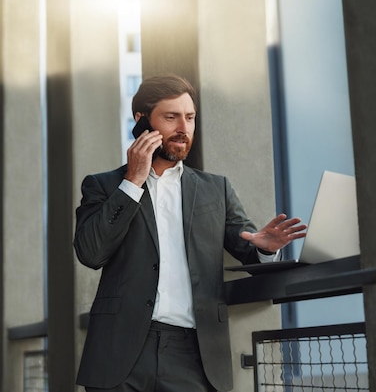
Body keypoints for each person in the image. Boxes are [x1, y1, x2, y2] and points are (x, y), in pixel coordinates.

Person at [73, 74, 306, 392]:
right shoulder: (103, 186)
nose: (183, 127)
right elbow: (91, 252)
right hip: (119, 352)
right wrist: (132, 182)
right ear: (142, 122)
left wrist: (266, 247)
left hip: (193, 355)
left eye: (190, 117)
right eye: (171, 117)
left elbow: (249, 245)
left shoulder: (216, 189)